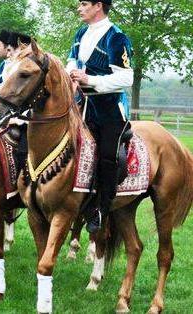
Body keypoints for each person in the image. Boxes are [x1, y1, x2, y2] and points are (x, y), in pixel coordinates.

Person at [66, 0, 134, 233]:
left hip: (110, 110)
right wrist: (72, 75)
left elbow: (126, 79)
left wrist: (90, 81)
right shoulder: (81, 33)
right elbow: (72, 61)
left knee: (107, 156)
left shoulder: (117, 38)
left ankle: (101, 210)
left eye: (83, 3)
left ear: (98, 6)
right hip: (80, 106)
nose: (79, 8)